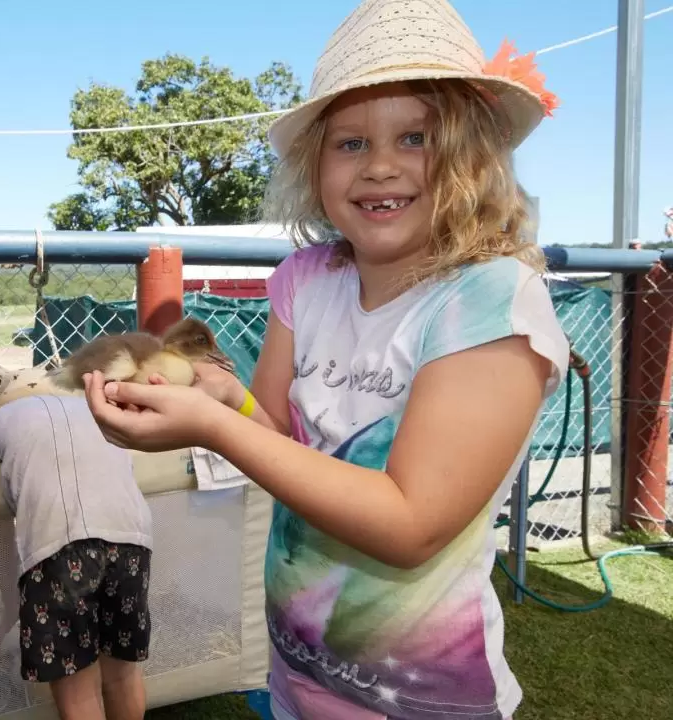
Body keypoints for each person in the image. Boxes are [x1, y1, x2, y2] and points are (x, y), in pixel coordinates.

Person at [82, 1, 569, 718]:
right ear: (315, 166)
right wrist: (224, 397)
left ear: (474, 155)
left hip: (424, 699)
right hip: (299, 674)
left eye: (415, 137)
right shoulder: (305, 281)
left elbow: (410, 525)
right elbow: (280, 437)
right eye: (349, 144)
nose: (378, 166)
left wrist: (214, 429)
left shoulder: (490, 302)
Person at [0, 368, 154, 720]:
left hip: (56, 545)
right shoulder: (90, 410)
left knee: (78, 690)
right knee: (122, 675)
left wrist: (11, 606)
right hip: (132, 538)